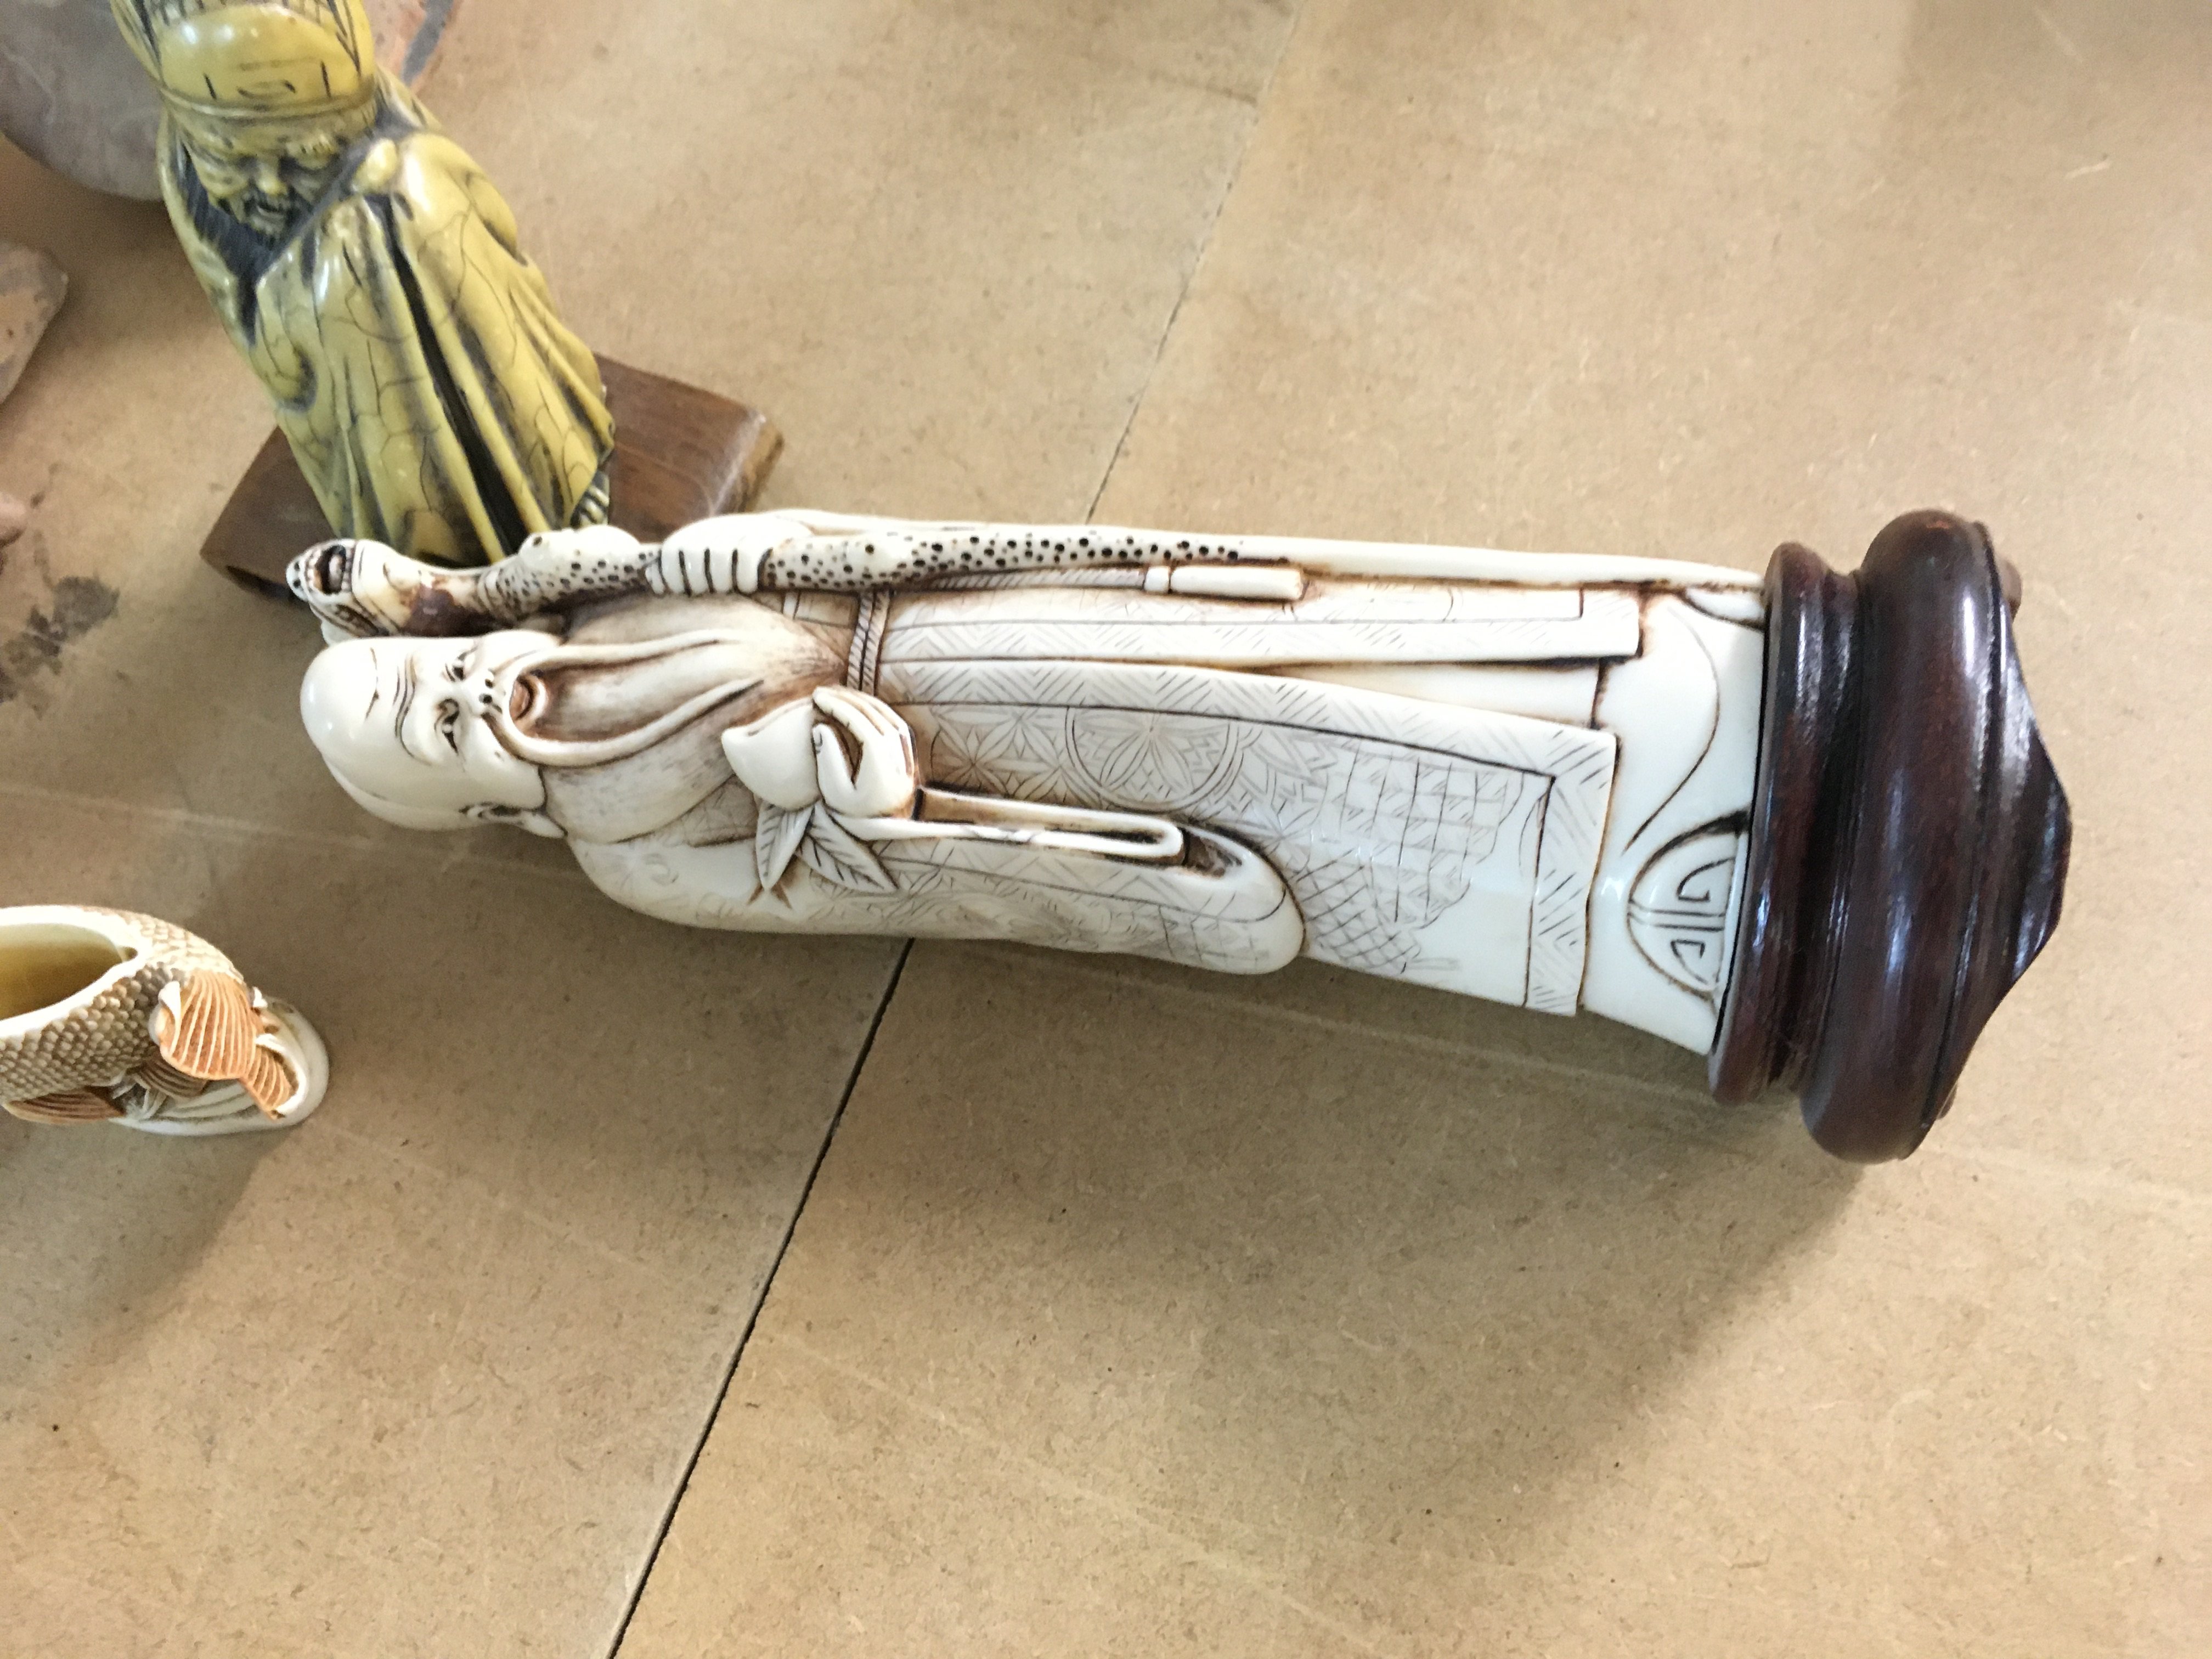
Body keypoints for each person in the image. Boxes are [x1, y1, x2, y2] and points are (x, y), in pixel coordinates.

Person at [291, 512, 1766, 1047]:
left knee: (1330, 644)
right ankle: (1651, 900)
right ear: (481, 808)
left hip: (1015, 625)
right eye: (433, 729)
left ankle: (1677, 682)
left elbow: (806, 555)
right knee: (1311, 782)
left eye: (437, 671)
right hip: (1017, 761)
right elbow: (841, 887)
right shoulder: (634, 857)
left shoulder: (611, 600)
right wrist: (865, 804)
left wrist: (439, 594)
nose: (461, 694)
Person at [110, 0, 616, 565]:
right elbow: (266, 346)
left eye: (308, 155)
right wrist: (326, 252)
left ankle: (553, 470)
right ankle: (426, 537)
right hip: (343, 367)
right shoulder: (182, 169)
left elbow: (487, 219)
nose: (271, 186)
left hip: (449, 297)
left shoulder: (381, 107)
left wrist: (393, 200)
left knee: (417, 200)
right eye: (232, 161)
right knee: (348, 267)